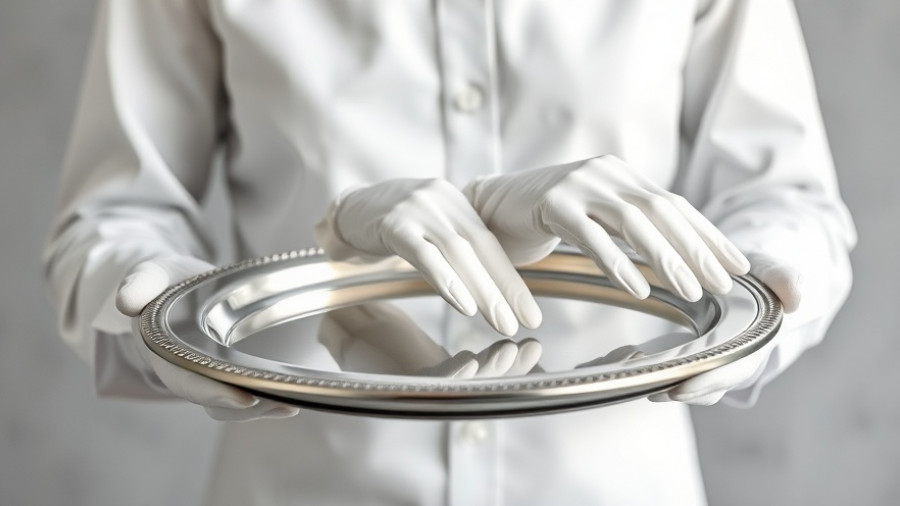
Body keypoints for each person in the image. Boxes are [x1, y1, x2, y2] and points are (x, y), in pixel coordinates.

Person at [43, 0, 855, 504]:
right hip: (307, 488)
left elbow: (789, 203)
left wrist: (749, 308)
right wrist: (174, 316)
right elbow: (116, 220)